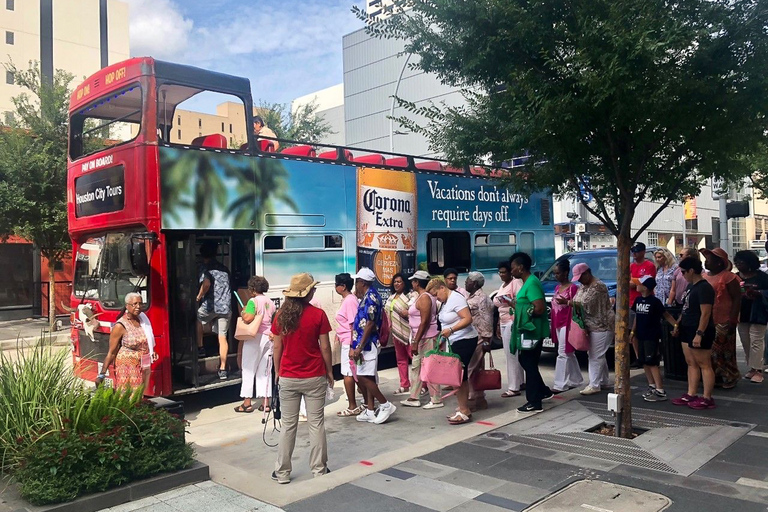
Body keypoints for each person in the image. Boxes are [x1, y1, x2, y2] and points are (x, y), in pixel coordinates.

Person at [271, 273, 334, 484]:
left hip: (288, 376)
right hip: (314, 375)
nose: (315, 291)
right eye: (312, 289)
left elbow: (277, 346)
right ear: (307, 294)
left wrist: (277, 371)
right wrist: (330, 371)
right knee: (316, 423)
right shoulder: (318, 315)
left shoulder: (281, 316)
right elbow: (325, 346)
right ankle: (319, 469)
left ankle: (282, 473)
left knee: (288, 425)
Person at [426, 278, 479, 424]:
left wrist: (451, 329)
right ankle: (463, 407)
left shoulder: (456, 298)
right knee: (458, 376)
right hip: (454, 340)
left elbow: (467, 319)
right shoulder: (444, 302)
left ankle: (464, 410)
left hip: (464, 339)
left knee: (459, 376)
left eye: (436, 294)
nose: (437, 298)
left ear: (442, 288)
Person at [350, 268, 396, 424]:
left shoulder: (371, 298)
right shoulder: (367, 296)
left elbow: (369, 324)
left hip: (367, 345)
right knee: (368, 375)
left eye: (357, 281)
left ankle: (385, 404)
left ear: (362, 282)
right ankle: (370, 410)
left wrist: (359, 346)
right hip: (364, 344)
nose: (355, 284)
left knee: (363, 376)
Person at [508, 252, 552, 413]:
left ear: (521, 267)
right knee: (526, 362)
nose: (511, 271)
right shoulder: (527, 283)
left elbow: (539, 308)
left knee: (529, 363)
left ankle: (534, 401)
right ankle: (543, 391)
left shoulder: (532, 283)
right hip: (527, 332)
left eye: (513, 268)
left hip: (532, 332)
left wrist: (523, 312)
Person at [671, 257, 717, 410]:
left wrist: (700, 333)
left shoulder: (704, 288)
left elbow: (706, 313)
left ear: (691, 270)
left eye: (683, 272)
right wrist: (678, 324)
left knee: (704, 364)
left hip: (699, 329)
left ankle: (707, 397)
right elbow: (685, 308)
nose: (682, 275)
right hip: (687, 327)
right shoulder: (691, 286)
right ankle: (691, 393)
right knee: (691, 362)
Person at [96, 292, 158, 392]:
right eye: (135, 304)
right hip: (127, 368)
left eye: (140, 304)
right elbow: (111, 352)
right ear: (127, 306)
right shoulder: (120, 326)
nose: (138, 307)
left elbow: (147, 339)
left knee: (140, 396)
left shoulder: (143, 320)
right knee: (128, 399)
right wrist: (102, 374)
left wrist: (151, 351)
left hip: (142, 365)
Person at [631, 276, 678, 402]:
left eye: (639, 284)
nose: (636, 285)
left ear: (645, 287)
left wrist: (675, 325)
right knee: (644, 361)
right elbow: (637, 316)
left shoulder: (655, 302)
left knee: (652, 363)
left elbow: (666, 314)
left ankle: (660, 390)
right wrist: (633, 331)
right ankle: (651, 385)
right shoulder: (638, 299)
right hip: (640, 335)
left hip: (651, 336)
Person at [400, 270, 443, 409]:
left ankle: (436, 399)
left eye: (413, 281)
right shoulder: (423, 296)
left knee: (429, 367)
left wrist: (415, 341)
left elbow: (424, 321)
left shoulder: (424, 297)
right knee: (417, 367)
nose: (411, 283)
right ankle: (414, 397)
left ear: (417, 282)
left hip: (426, 337)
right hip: (423, 336)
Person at [701, 247, 742, 389]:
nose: (706, 262)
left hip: (724, 318)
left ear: (719, 263)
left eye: (709, 259)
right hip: (709, 319)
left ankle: (731, 375)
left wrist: (733, 320)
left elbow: (737, 298)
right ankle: (717, 375)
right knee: (711, 350)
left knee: (723, 349)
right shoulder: (705, 277)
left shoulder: (729, 277)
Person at [571, 263, 614, 395]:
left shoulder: (598, 286)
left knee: (596, 355)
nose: (579, 280)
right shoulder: (583, 286)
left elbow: (585, 303)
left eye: (580, 277)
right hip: (591, 325)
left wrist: (567, 303)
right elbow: (577, 299)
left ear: (587, 273)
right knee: (598, 354)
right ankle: (604, 381)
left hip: (602, 325)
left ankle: (594, 384)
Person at [235, 276, 276, 414]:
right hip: (268, 338)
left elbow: (248, 318)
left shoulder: (253, 301)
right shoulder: (270, 302)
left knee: (248, 369)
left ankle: (247, 403)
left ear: (252, 289)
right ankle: (266, 403)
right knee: (264, 371)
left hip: (254, 337)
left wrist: (243, 311)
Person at [196, 241, 232, 380]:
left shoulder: (205, 268)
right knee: (222, 336)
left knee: (197, 319)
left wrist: (199, 296)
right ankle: (222, 368)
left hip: (211, 306)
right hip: (225, 307)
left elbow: (206, 283)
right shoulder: (223, 268)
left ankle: (200, 347)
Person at [734, 250, 768, 384]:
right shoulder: (736, 277)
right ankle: (752, 368)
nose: (738, 265)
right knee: (745, 341)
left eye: (741, 263)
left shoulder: (762, 277)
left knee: (756, 341)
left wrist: (758, 293)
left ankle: (758, 369)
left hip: (758, 312)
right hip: (741, 313)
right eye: (736, 262)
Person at [493, 260, 525, 397]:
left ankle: (513, 387)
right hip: (503, 320)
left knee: (511, 354)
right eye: (500, 272)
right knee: (511, 353)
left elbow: (519, 301)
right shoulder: (503, 285)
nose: (501, 275)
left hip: (512, 321)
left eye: (504, 272)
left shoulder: (515, 283)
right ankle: (519, 381)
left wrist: (507, 300)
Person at [334, 273, 364, 417]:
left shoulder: (350, 301)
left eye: (336, 284)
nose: (335, 287)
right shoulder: (346, 300)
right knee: (353, 372)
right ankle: (364, 400)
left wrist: (353, 345)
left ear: (343, 286)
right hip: (345, 339)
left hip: (349, 342)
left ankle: (353, 405)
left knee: (348, 373)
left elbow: (353, 324)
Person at [551, 259, 583, 392]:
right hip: (557, 321)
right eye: (554, 274)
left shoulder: (573, 288)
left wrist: (567, 302)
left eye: (558, 273)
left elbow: (578, 305)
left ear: (565, 273)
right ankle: (576, 379)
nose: (556, 276)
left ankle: (560, 384)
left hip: (567, 322)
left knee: (562, 352)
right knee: (568, 353)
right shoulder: (557, 287)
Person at [465, 272, 493, 411]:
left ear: (475, 284)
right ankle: (479, 398)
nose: (465, 283)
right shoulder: (471, 296)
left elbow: (486, 319)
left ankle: (471, 399)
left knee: (470, 369)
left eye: (468, 280)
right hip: (472, 336)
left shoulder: (482, 298)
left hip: (479, 338)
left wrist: (487, 340)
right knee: (476, 368)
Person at [386, 273, 415, 395]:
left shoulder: (410, 296)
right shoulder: (391, 297)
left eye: (399, 281)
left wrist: (408, 313)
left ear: (405, 283)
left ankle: (423, 384)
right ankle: (404, 385)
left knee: (414, 359)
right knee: (401, 360)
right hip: (396, 334)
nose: (397, 284)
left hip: (409, 333)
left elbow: (415, 312)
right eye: (395, 282)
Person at [630, 242, 657, 367]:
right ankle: (638, 357)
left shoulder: (649, 265)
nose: (634, 253)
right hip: (632, 300)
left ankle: (648, 355)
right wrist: (637, 282)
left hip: (645, 299)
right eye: (633, 251)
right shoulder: (631, 266)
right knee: (633, 331)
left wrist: (635, 283)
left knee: (644, 330)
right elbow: (628, 282)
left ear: (643, 252)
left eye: (637, 251)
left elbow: (647, 282)